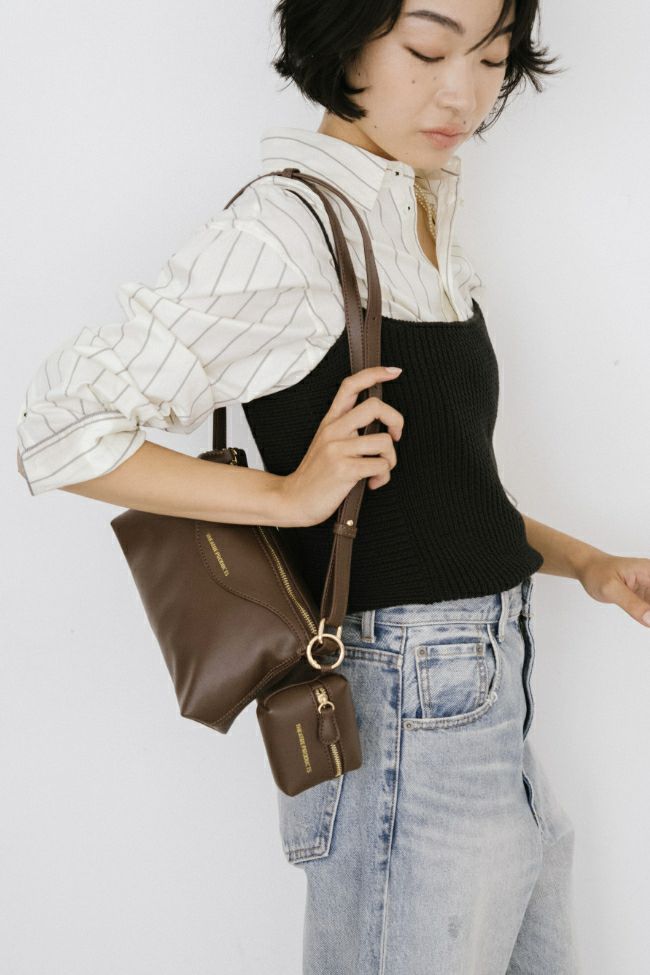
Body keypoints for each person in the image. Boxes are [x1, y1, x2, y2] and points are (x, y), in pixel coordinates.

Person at [15, 0, 650, 972]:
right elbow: (57, 428)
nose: (462, 93)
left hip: (493, 708)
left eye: (491, 59)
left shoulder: (418, 211)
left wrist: (589, 565)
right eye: (427, 49)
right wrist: (285, 498)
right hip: (403, 714)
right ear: (342, 36)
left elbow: (437, 499)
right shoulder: (284, 229)